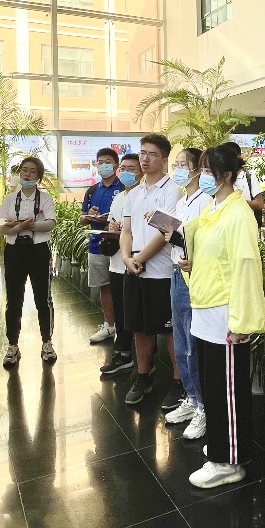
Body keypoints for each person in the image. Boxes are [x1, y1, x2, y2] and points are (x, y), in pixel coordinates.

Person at [183, 144, 265, 488]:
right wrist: (190, 261)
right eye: (201, 170)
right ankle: (222, 442)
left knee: (228, 392)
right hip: (206, 308)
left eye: (208, 171)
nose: (202, 176)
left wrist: (242, 320)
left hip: (225, 315)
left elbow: (246, 267)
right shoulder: (212, 209)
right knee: (214, 388)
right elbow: (212, 256)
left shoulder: (238, 214)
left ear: (227, 176)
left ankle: (229, 460)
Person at [121, 134, 180, 406]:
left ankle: (178, 382)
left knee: (170, 330)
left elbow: (166, 231)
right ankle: (143, 376)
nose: (145, 159)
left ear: (164, 159)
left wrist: (140, 258)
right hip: (134, 269)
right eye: (142, 153)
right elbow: (127, 230)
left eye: (152, 154)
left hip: (162, 271)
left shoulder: (172, 190)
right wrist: (126, 257)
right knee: (139, 328)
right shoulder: (134, 192)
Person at [164, 148, 210, 439]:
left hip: (193, 276)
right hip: (176, 272)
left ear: (197, 170)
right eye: (177, 164)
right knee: (181, 342)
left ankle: (203, 405)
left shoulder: (206, 201)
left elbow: (201, 242)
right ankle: (191, 398)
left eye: (185, 164)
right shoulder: (182, 202)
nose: (179, 169)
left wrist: (179, 238)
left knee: (193, 345)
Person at [0, 157, 57, 368]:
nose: (27, 174)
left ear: (38, 176)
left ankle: (47, 342)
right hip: (14, 250)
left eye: (32, 171)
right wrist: (21, 227)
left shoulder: (46, 198)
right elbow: (2, 228)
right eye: (24, 170)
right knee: (14, 300)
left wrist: (26, 226)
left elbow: (50, 223)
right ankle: (12, 345)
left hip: (39, 250)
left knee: (43, 298)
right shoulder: (9, 199)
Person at [99, 153, 141, 380]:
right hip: (116, 262)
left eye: (131, 168)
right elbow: (111, 223)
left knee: (135, 313)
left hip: (133, 263)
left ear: (141, 171)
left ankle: (140, 359)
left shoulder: (142, 195)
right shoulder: (118, 197)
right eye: (123, 168)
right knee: (120, 311)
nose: (126, 172)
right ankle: (123, 354)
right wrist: (112, 227)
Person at [84, 148, 123, 345]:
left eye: (108, 161)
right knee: (104, 286)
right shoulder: (92, 190)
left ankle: (124, 328)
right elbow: (82, 218)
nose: (104, 165)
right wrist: (90, 215)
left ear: (116, 165)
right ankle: (109, 325)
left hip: (120, 246)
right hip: (97, 245)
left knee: (122, 287)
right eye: (100, 162)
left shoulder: (124, 187)